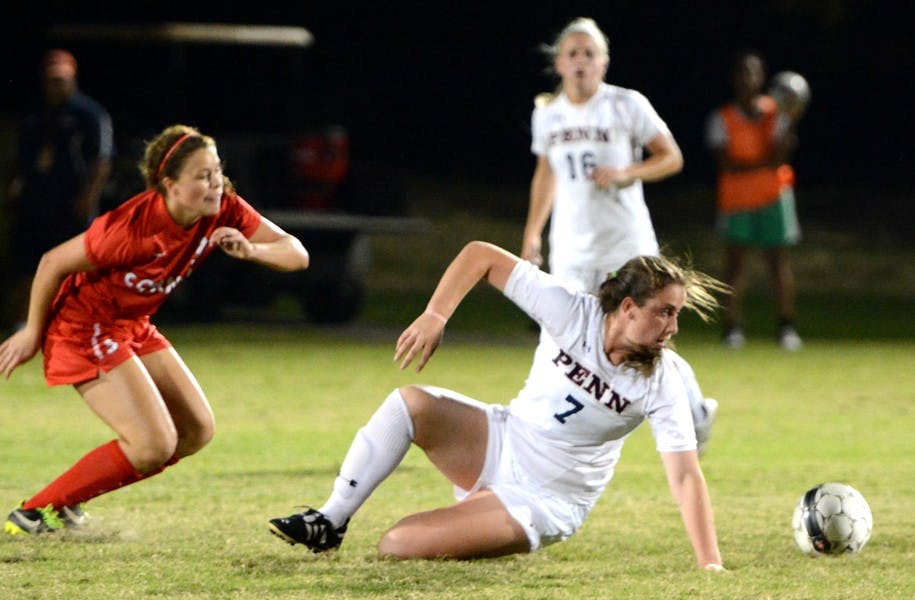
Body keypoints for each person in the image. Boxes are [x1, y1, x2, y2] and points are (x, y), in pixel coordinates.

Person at [269, 241, 726, 571]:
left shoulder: (662, 377)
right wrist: (436, 314)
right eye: (665, 311)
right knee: (408, 402)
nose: (673, 326)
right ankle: (330, 519)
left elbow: (685, 475)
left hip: (547, 499)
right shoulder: (572, 311)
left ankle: (488, 513)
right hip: (501, 438)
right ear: (627, 307)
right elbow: (480, 255)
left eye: (677, 313)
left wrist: (710, 566)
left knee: (396, 544)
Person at [1, 124, 310, 536]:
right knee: (153, 446)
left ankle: (65, 502)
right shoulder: (132, 228)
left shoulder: (223, 208)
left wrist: (254, 250)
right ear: (170, 185)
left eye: (218, 171)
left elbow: (296, 253)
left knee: (197, 431)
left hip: (132, 324)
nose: (216, 183)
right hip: (85, 328)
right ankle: (35, 513)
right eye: (203, 176)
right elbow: (52, 263)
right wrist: (31, 332)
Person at [520, 17, 717, 451]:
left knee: (650, 336)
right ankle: (537, 424)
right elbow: (545, 173)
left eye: (589, 54)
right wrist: (533, 234)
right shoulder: (547, 114)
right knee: (557, 336)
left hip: (626, 247)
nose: (581, 62)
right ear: (558, 62)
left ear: (604, 62)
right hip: (572, 249)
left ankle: (695, 411)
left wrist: (629, 172)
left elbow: (671, 157)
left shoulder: (626, 104)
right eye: (573, 53)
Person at [3, 49, 115, 333]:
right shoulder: (35, 114)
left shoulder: (90, 114)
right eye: (53, 80)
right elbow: (19, 159)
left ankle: (82, 320)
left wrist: (88, 197)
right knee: (27, 263)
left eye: (62, 80)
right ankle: (25, 324)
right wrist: (13, 189)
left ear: (73, 79)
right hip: (36, 202)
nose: (58, 86)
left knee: (78, 263)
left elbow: (101, 160)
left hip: (71, 203)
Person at [705, 51, 804, 350]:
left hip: (773, 197)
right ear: (734, 79)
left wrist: (792, 121)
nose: (748, 79)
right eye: (742, 73)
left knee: (778, 264)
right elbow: (726, 164)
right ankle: (732, 328)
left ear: (762, 78)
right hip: (737, 200)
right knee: (735, 266)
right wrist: (763, 166)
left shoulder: (777, 113)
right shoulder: (721, 118)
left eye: (753, 73)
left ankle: (786, 327)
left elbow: (781, 156)